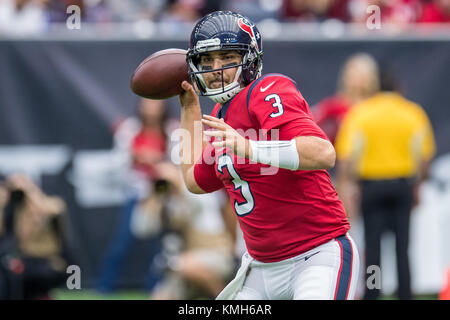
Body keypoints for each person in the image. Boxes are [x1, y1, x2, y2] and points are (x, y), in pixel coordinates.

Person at [177, 10, 359, 300]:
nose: (215, 68)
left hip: (314, 255)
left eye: (227, 58)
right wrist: (189, 108)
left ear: (249, 59)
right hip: (260, 268)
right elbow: (193, 181)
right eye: (207, 60)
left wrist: (248, 147)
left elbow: (323, 152)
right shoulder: (219, 115)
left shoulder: (267, 90)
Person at [334, 68, 436, 299]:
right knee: (403, 248)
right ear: (400, 89)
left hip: (371, 187)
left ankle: (373, 292)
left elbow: (347, 157)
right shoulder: (412, 112)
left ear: (376, 89)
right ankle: (405, 294)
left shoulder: (361, 113)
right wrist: (419, 184)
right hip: (402, 185)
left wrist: (348, 185)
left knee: (373, 247)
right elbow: (425, 156)